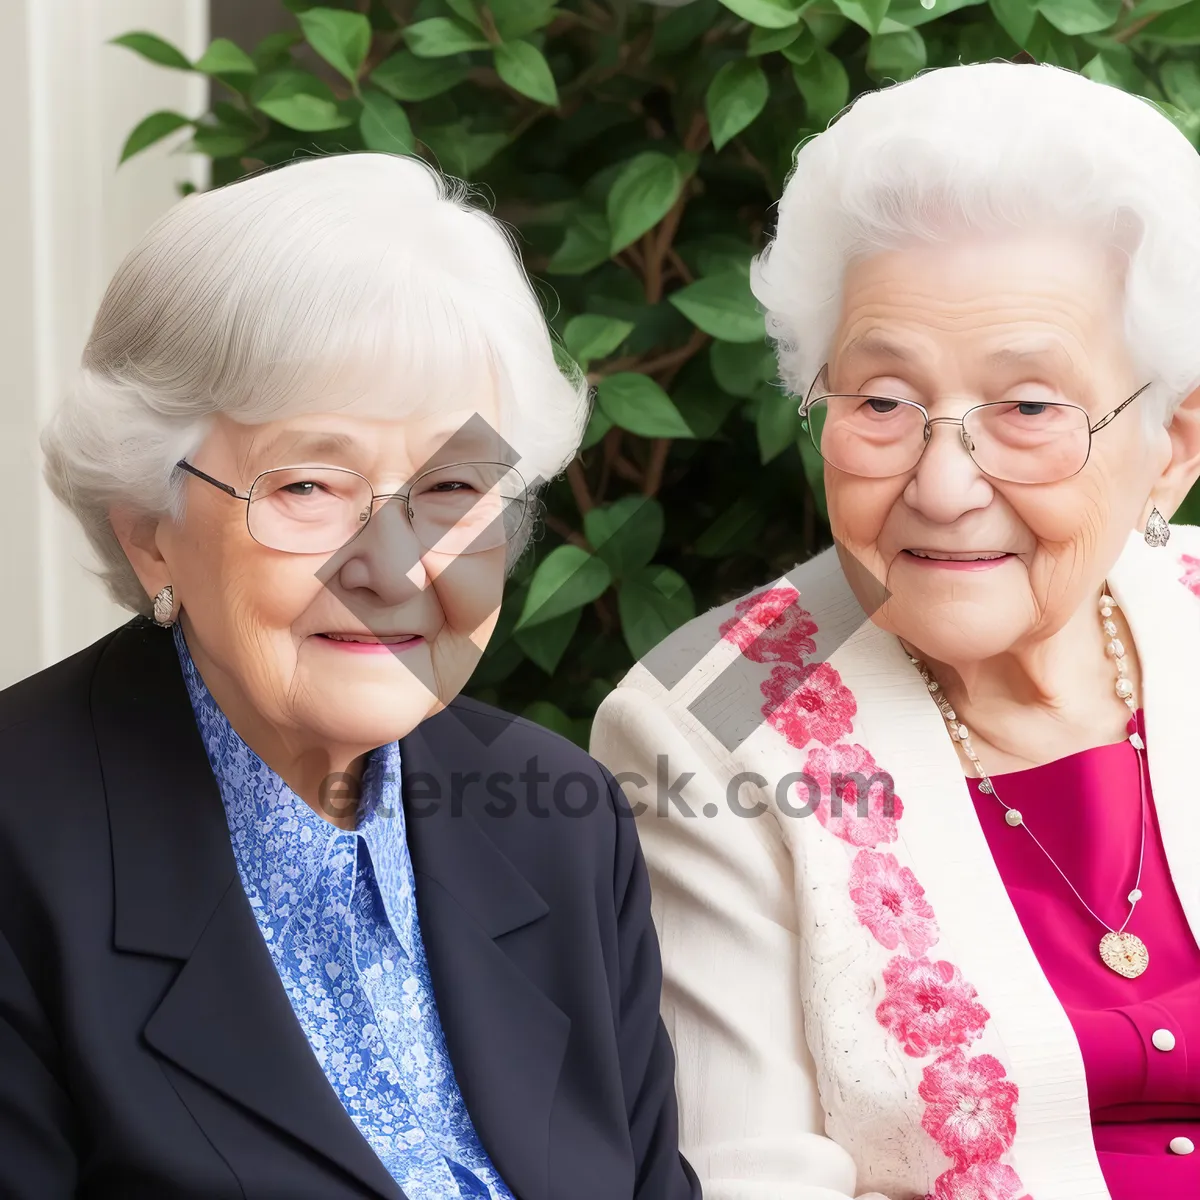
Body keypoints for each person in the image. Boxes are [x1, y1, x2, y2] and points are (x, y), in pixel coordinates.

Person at [0, 152, 700, 1200]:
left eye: (454, 485)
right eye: (311, 485)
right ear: (151, 534)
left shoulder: (559, 824)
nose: (397, 564)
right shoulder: (19, 845)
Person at [590, 62, 1200, 1200]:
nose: (943, 482)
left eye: (1026, 409)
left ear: (1172, 443)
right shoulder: (703, 724)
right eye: (882, 402)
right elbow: (749, 1183)